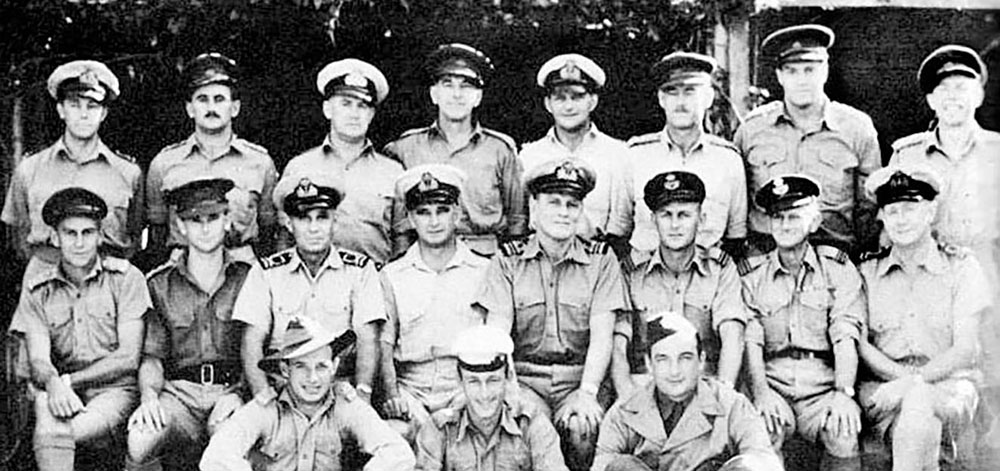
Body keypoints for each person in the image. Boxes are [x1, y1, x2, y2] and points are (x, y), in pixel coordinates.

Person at [476, 157, 629, 470]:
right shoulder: (508, 260)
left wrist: (587, 392)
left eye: (572, 204)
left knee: (582, 429)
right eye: (554, 202)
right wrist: (511, 389)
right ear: (534, 205)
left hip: (579, 376)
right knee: (524, 429)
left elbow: (603, 335)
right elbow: (498, 335)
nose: (563, 212)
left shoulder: (601, 260)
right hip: (527, 378)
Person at [887, 45, 1000, 449]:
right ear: (931, 100)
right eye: (944, 89)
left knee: (992, 383)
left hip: (989, 273)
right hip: (928, 282)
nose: (953, 96)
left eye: (962, 87)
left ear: (980, 96)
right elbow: (892, 223)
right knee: (939, 383)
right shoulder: (906, 152)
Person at [7, 187, 151, 471]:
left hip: (113, 390)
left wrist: (67, 382)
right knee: (47, 408)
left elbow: (128, 357)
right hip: (61, 389)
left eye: (87, 233)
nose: (79, 242)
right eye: (70, 233)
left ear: (100, 236)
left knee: (58, 433)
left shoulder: (125, 279)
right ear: (55, 237)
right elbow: (38, 359)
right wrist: (53, 384)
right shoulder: (39, 289)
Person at [857, 165, 989, 471]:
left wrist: (913, 384)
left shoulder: (961, 267)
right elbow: (862, 345)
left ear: (930, 213)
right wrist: (904, 383)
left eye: (909, 209)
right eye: (892, 212)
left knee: (919, 403)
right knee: (919, 411)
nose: (901, 220)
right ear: (882, 219)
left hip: (949, 384)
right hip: (882, 386)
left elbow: (966, 349)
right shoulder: (866, 272)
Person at [125, 178, 254, 471]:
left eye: (213, 218)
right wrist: (149, 398)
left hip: (230, 390)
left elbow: (256, 351)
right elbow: (152, 357)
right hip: (179, 394)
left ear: (227, 220)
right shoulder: (159, 284)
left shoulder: (248, 278)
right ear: (181, 226)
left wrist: (238, 394)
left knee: (228, 445)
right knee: (139, 439)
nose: (205, 228)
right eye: (194, 220)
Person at [739, 175, 864, 471]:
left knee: (843, 431)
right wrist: (761, 392)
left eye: (794, 216)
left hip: (821, 387)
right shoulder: (752, 276)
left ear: (814, 221)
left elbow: (845, 336)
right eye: (778, 217)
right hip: (772, 383)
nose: (784, 225)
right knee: (762, 430)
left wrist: (844, 392)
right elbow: (751, 341)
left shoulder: (837, 269)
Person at [234, 171, 385, 404]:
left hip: (339, 389)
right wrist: (262, 395)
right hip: (282, 389)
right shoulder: (266, 272)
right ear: (289, 223)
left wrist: (363, 393)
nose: (313, 228)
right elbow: (251, 341)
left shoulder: (360, 270)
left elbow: (367, 338)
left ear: (335, 220)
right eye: (304, 218)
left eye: (322, 217)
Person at [734, 24, 881, 257]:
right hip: (766, 261)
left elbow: (869, 208)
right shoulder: (753, 130)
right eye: (792, 71)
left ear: (825, 71)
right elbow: (739, 204)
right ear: (779, 76)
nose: (801, 80)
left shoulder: (856, 129)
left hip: (835, 259)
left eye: (809, 70)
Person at [200, 318, 414, 471]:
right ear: (285, 370)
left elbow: (398, 454)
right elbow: (217, 457)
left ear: (334, 367)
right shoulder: (266, 408)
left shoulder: (346, 405)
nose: (313, 378)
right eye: (301, 366)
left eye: (321, 366)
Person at [378, 164, 491, 442]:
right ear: (410, 218)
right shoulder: (392, 275)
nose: (434, 221)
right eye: (423, 213)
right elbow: (384, 342)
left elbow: (495, 339)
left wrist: (471, 395)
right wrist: (392, 394)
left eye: (442, 211)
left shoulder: (484, 270)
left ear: (458, 213)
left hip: (466, 387)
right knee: (395, 436)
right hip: (411, 390)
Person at [611, 171, 746, 401]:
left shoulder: (720, 269)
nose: (675, 225)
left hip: (705, 381)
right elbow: (617, 341)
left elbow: (733, 335)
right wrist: (626, 394)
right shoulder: (632, 272)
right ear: (654, 220)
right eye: (666, 215)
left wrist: (724, 393)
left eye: (684, 215)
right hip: (646, 382)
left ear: (701, 219)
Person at [383, 43, 526, 256]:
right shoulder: (405, 149)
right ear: (434, 94)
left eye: (466, 86)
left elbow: (517, 220)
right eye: (447, 84)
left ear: (478, 97)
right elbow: (399, 226)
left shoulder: (500, 150)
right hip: (424, 259)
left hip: (486, 259)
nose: (456, 94)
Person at [592, 313, 779, 471]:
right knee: (621, 466)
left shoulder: (732, 404)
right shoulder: (624, 411)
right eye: (663, 359)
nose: (675, 371)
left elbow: (764, 460)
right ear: (649, 364)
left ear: (701, 361)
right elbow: (602, 464)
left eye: (685, 358)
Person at [2, 60, 144, 267]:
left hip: (108, 284)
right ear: (61, 110)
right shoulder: (29, 170)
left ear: (103, 113)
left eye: (92, 106)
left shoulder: (128, 173)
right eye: (74, 105)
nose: (83, 114)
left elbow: (134, 236)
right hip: (46, 282)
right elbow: (20, 239)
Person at [145, 53, 278, 265]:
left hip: (243, 271)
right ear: (190, 109)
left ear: (235, 108)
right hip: (182, 271)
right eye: (202, 99)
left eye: (219, 99)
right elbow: (156, 236)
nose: (211, 108)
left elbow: (269, 231)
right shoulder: (164, 164)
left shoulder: (260, 163)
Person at [280, 58, 406, 265]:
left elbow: (402, 237)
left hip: (374, 283)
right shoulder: (300, 167)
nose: (354, 114)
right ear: (327, 109)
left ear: (372, 114)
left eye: (362, 106)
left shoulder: (392, 172)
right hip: (313, 283)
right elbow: (284, 234)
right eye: (346, 104)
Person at [626, 51, 747, 259]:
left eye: (690, 91)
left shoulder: (728, 160)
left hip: (709, 279)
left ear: (708, 98)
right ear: (661, 99)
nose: (681, 102)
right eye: (672, 92)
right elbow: (619, 231)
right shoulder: (635, 156)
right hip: (645, 279)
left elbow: (736, 238)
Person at [415, 324, 568, 471]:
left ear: (507, 377)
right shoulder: (440, 430)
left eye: (493, 380)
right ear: (460, 380)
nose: (484, 394)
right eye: (474, 382)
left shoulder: (531, 425)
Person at [518, 53, 630, 252]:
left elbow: (620, 227)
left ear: (592, 101)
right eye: (560, 98)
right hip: (541, 262)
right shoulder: (529, 156)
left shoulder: (617, 154)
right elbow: (522, 221)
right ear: (548, 104)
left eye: (577, 97)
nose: (568, 106)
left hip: (598, 262)